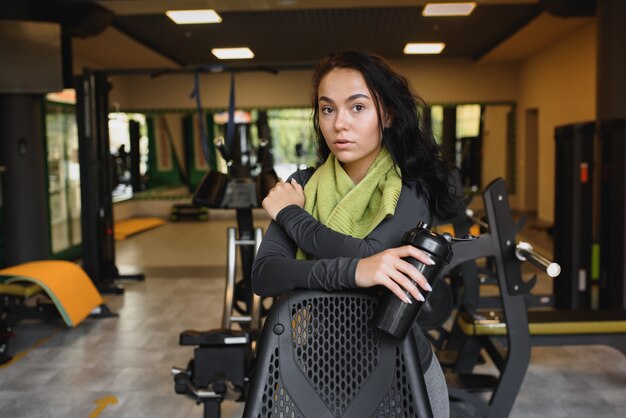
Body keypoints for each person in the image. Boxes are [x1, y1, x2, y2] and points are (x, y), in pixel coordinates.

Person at [251, 50, 456, 417]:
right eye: (327, 109)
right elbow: (265, 274)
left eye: (357, 107)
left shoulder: (411, 187)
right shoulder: (303, 185)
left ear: (387, 114)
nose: (339, 124)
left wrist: (291, 216)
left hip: (401, 368)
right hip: (313, 371)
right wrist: (353, 272)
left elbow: (371, 252)